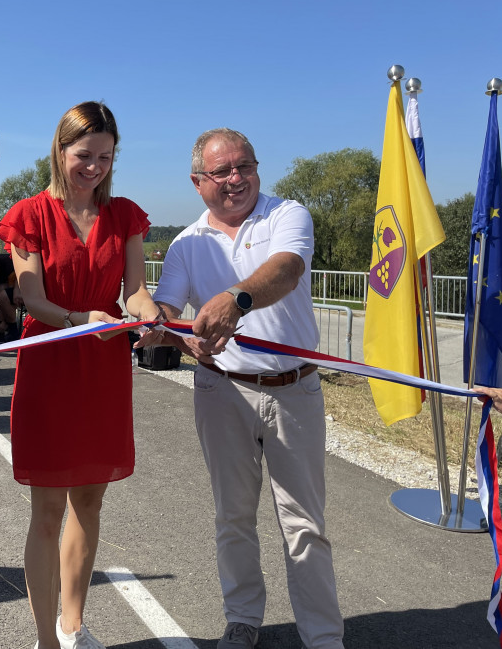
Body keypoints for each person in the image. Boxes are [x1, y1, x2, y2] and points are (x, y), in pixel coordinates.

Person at [154, 128, 344, 649]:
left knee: (305, 524)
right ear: (198, 182)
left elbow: (285, 270)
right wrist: (160, 325)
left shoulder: (287, 214)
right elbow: (168, 310)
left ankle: (323, 637)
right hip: (222, 392)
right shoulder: (185, 243)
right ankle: (242, 619)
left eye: (246, 166)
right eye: (223, 172)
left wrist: (234, 298)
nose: (237, 179)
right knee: (233, 515)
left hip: (294, 389)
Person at [0, 101, 161, 649]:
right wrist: (75, 319)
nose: (94, 167)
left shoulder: (127, 216)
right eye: (84, 155)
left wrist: (148, 312)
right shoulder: (28, 215)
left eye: (105, 157)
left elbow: (133, 291)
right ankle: (46, 638)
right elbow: (32, 299)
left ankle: (74, 623)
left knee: (89, 501)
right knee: (46, 509)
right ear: (60, 152)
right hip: (50, 362)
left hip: (103, 365)